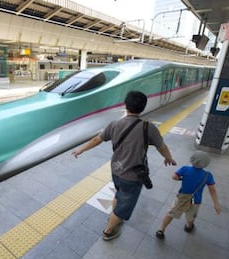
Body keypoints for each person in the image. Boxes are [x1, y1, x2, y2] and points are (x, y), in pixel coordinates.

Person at [72, 91, 177, 241]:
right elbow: (162, 146)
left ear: (125, 105)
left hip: (116, 169)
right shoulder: (148, 128)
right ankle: (108, 231)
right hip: (133, 176)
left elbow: (97, 139)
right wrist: (168, 158)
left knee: (119, 193)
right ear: (143, 107)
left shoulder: (114, 124)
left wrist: (81, 149)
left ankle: (113, 217)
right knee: (125, 205)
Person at [155, 151, 221, 239]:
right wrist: (216, 204)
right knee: (191, 215)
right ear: (206, 163)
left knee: (171, 213)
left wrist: (182, 178)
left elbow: (174, 177)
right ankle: (189, 227)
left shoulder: (185, 169)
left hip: (182, 198)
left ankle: (161, 230)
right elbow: (212, 190)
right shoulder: (208, 176)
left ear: (192, 159)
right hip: (195, 201)